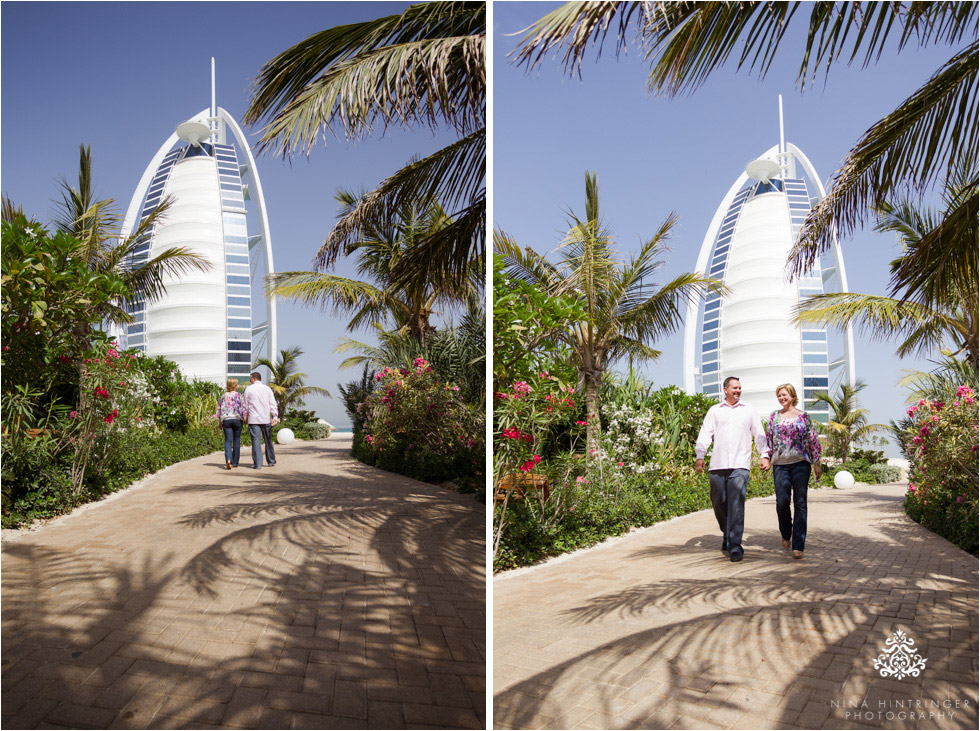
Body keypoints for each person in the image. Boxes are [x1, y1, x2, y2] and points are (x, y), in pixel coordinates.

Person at [695, 376, 770, 562]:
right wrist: (700, 456)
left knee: (736, 504)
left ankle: (735, 545)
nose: (738, 390)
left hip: (740, 464)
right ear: (725, 389)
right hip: (718, 464)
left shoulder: (749, 410)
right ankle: (727, 534)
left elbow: (759, 435)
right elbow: (705, 433)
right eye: (734, 388)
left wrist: (764, 455)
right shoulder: (714, 411)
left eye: (740, 388)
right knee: (718, 503)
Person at [766, 383, 822, 560]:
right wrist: (765, 458)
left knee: (800, 503)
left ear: (792, 396)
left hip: (800, 464)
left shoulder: (804, 417)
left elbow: (812, 440)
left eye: (784, 395)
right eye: (779, 396)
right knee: (782, 502)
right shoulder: (774, 417)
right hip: (780, 465)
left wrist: (817, 463)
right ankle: (785, 532)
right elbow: (768, 440)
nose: (782, 398)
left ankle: (798, 544)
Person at [243, 371, 279, 469]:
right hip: (266, 418)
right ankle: (271, 461)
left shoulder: (249, 389)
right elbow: (272, 403)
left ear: (254, 378)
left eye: (250, 379)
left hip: (254, 419)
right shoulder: (267, 389)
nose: (250, 381)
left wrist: (245, 417)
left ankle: (258, 464)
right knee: (268, 440)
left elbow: (245, 405)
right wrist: (275, 417)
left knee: (256, 441)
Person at [216, 378, 247, 470]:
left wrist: (219, 422)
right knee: (236, 440)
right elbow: (243, 408)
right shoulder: (239, 396)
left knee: (228, 441)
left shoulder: (222, 396)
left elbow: (219, 410)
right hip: (237, 420)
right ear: (235, 386)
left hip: (226, 420)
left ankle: (228, 459)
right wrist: (245, 419)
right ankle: (235, 462)